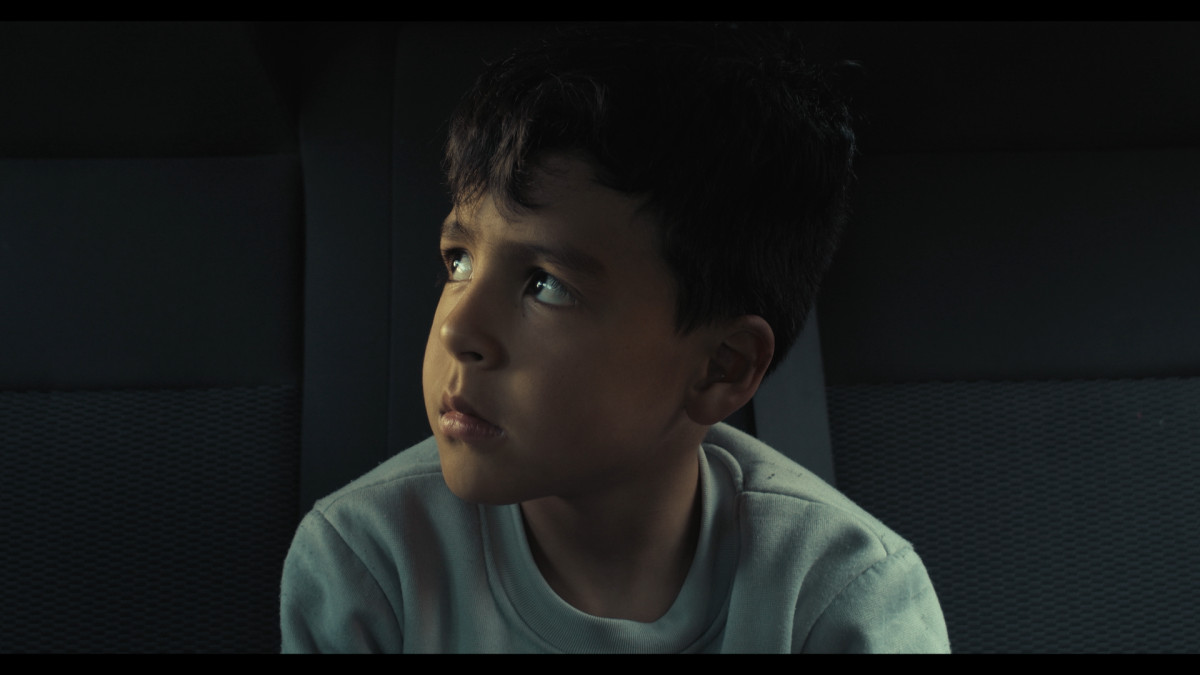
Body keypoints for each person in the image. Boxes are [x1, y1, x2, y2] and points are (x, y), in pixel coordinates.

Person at [280, 22, 950, 653]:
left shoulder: (841, 597)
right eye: (459, 261)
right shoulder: (367, 564)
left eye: (546, 285)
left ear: (721, 366)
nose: (457, 327)